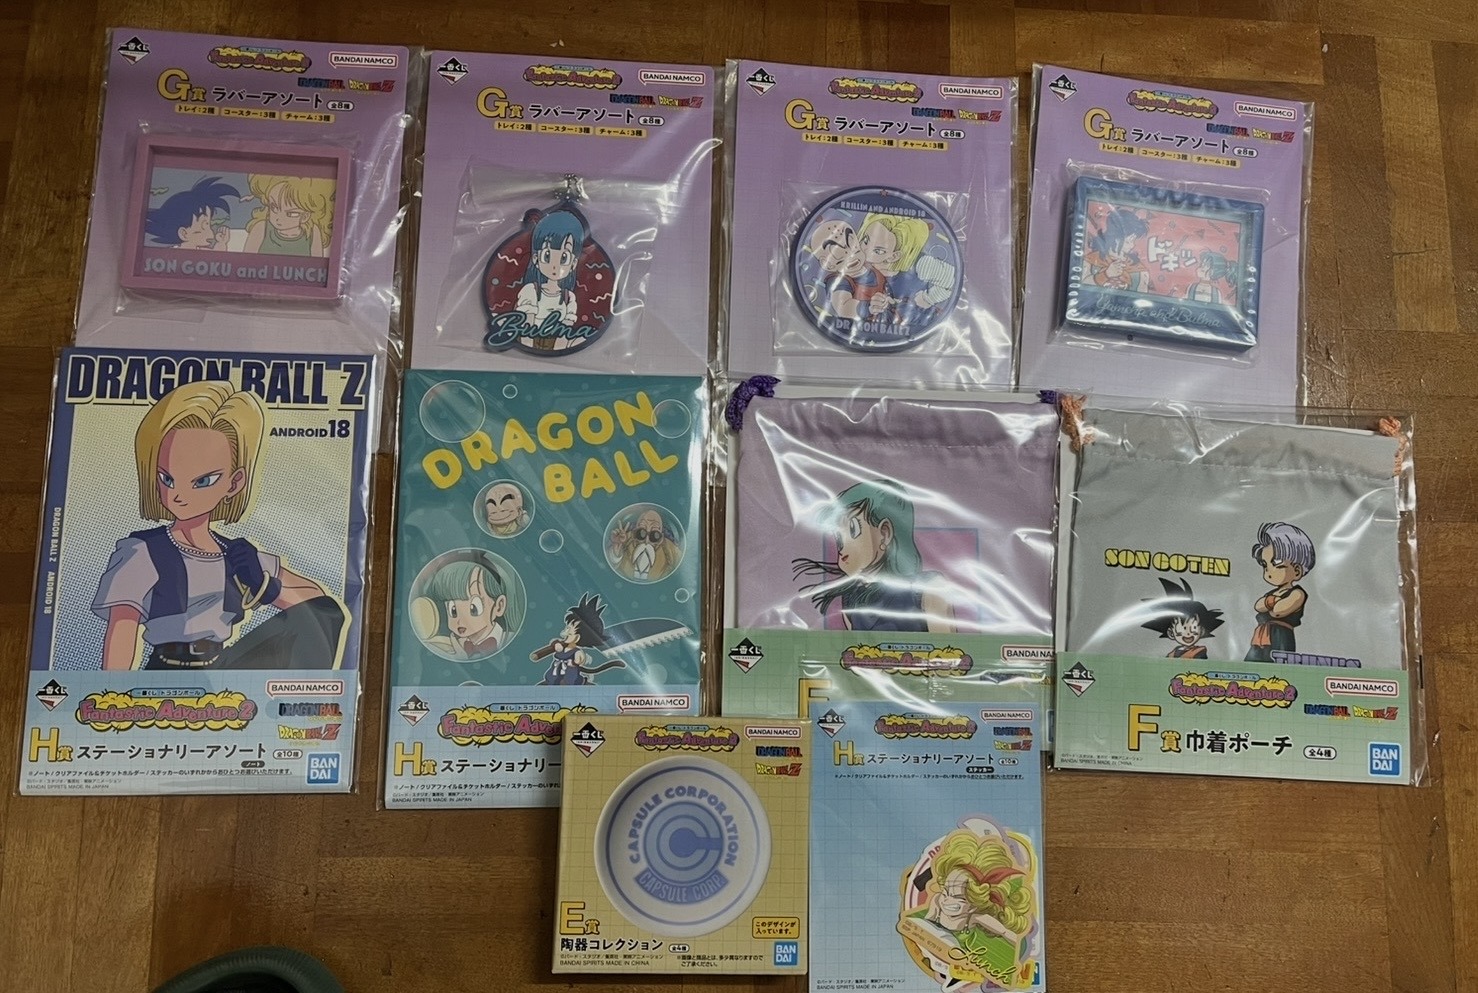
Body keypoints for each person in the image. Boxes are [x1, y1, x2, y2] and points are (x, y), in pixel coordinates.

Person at [93, 381, 346, 671]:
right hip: (167, 672)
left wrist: (263, 585)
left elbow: (318, 603)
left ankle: (297, 699)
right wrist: (114, 693)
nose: (178, 495)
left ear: (234, 483)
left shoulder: (235, 554)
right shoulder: (143, 551)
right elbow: (123, 628)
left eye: (202, 481)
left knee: (325, 613)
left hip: (223, 669)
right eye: (167, 479)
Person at [791, 479, 956, 632]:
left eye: (853, 530)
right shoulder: (852, 599)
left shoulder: (930, 588)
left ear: (884, 533)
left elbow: (949, 650)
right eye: (839, 538)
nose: (842, 549)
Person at [1245, 522, 1315, 662]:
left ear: (1297, 571)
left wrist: (1270, 603)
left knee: (1278, 668)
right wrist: (1272, 601)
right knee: (1251, 665)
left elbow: (1278, 611)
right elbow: (1258, 606)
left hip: (1281, 636)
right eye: (1265, 565)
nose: (1268, 571)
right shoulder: (1273, 593)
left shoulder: (1297, 593)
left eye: (1276, 564)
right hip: (1260, 636)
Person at [516, 208, 584, 350]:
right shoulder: (531, 291)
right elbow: (526, 327)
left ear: (573, 263)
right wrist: (529, 348)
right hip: (531, 339)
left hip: (555, 342)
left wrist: (557, 352)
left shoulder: (569, 298)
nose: (554, 266)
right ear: (536, 258)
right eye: (547, 256)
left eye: (564, 258)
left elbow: (564, 333)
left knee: (581, 338)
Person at [419, 559, 512, 660]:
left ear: (499, 606)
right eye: (453, 611)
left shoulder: (510, 640)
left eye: (473, 609)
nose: (460, 621)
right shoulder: (452, 646)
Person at [529, 593, 627, 685]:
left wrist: (576, 661)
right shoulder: (560, 645)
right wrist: (555, 644)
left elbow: (579, 660)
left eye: (569, 631)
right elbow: (554, 643)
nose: (565, 632)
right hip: (554, 677)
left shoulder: (577, 652)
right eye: (566, 628)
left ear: (578, 637)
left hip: (570, 680)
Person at [243, 174, 333, 257]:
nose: (278, 218)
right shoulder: (261, 228)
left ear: (305, 216)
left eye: (290, 214)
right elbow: (245, 260)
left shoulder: (313, 232)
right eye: (274, 207)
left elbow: (317, 264)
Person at [143, 175, 239, 250]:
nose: (211, 234)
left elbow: (217, 261)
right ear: (184, 233)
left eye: (208, 224)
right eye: (204, 226)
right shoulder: (173, 255)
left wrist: (221, 243)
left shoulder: (202, 252)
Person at [1140, 577, 1224, 659]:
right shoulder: (1173, 653)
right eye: (1183, 629)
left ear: (1202, 631)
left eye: (1193, 628)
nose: (1188, 633)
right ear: (1171, 633)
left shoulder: (1199, 652)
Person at [1085, 206, 1150, 291]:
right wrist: (1106, 274)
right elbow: (1079, 286)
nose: (1132, 245)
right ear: (1115, 238)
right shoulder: (1091, 260)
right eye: (1128, 241)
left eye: (1133, 241)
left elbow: (1142, 295)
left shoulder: (1140, 271)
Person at [610, 507, 681, 582]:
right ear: (635, 531)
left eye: (654, 536)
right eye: (641, 533)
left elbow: (682, 565)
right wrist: (616, 548)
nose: (646, 541)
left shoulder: (668, 546)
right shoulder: (625, 538)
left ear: (661, 536)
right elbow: (612, 563)